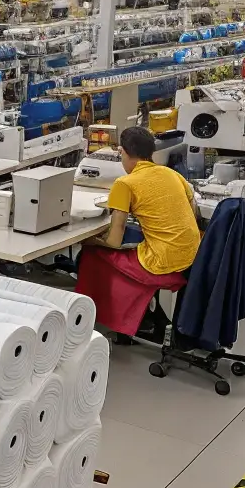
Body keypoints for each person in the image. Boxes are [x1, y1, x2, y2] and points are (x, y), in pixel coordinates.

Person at [75, 125, 201, 338]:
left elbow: (114, 241)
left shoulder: (125, 183)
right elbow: (193, 214)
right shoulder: (172, 174)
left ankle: (97, 320)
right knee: (130, 244)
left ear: (122, 152)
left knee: (91, 255)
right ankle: (145, 316)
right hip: (194, 256)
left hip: (162, 263)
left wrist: (92, 240)